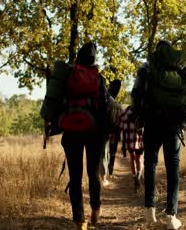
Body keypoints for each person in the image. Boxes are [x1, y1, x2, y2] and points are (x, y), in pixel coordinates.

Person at [131, 40, 186, 230]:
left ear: (156, 53)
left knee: (150, 162)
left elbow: (136, 94)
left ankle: (150, 208)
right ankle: (171, 215)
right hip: (174, 124)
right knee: (173, 166)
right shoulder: (180, 67)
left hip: (152, 122)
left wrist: (137, 118)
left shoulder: (147, 68)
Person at [59, 42, 109, 230]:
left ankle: (79, 220)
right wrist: (105, 131)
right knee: (93, 172)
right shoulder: (98, 78)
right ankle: (95, 209)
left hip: (71, 131)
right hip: (94, 132)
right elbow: (104, 106)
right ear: (93, 60)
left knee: (75, 175)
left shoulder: (68, 76)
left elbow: (58, 104)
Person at [118, 105, 144, 192]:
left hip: (129, 140)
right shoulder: (142, 110)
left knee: (132, 157)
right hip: (139, 139)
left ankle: (135, 178)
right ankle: (138, 176)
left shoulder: (125, 111)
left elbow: (120, 126)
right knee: (139, 158)